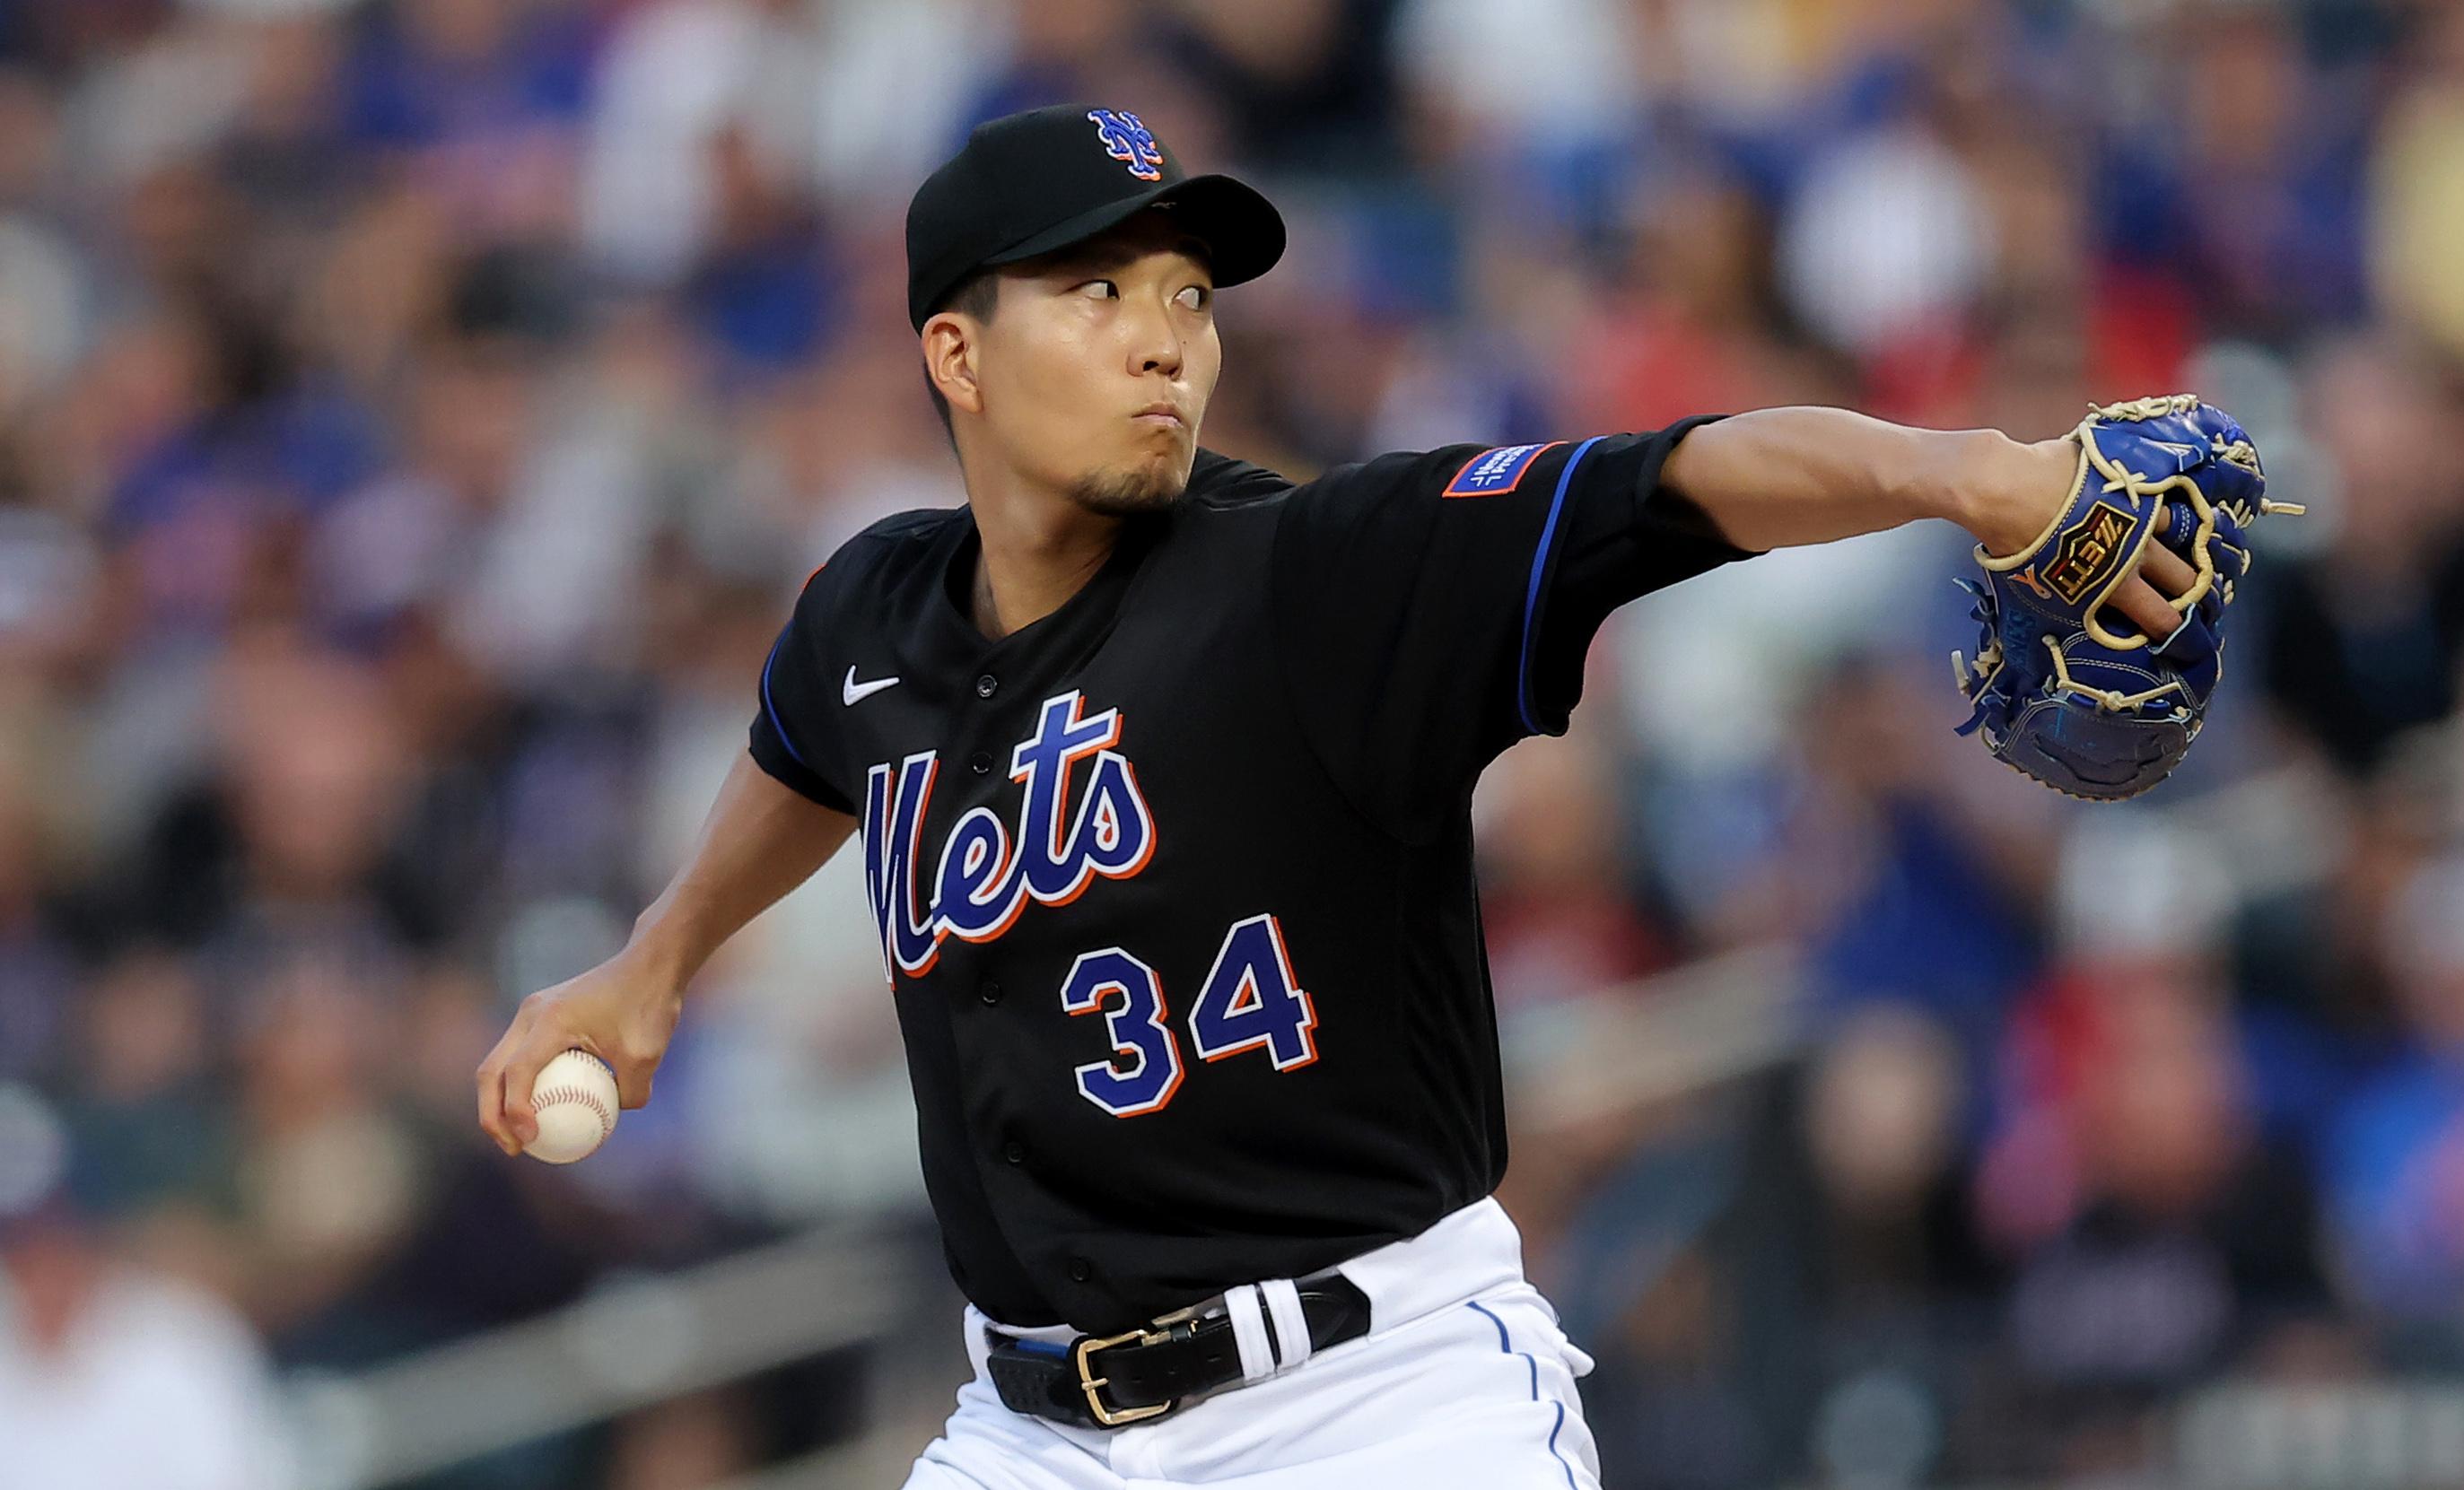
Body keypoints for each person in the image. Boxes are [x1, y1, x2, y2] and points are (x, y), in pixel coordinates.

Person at [474, 103, 2208, 1488]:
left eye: (1186, 297)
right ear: (958, 352)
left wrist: (1965, 468)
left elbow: (1674, 480)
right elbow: (802, 752)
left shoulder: (1316, 572)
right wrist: (656, 958)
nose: (1164, 338)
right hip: (1029, 1431)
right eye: (1096, 292)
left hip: (1376, 1403)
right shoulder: (873, 610)